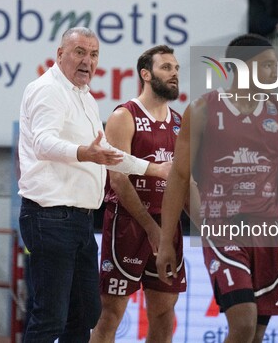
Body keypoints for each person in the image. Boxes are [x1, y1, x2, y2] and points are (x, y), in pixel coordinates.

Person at [156, 34, 278, 343]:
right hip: (224, 229)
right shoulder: (204, 110)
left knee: (256, 334)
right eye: (267, 66)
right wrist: (167, 241)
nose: (275, 73)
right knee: (245, 323)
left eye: (276, 66)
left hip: (267, 234)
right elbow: (179, 178)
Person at [17, 27, 171, 343]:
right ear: (60, 54)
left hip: (80, 220)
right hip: (49, 217)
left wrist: (153, 169)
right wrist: (84, 152)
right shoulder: (47, 90)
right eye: (79, 52)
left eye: (94, 54)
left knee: (84, 314)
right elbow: (43, 143)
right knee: (50, 318)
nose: (88, 61)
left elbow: (107, 154)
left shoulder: (85, 97)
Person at [89, 45, 186, 343]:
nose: (174, 74)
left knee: (163, 313)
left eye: (176, 68)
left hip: (167, 224)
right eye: (166, 68)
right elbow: (117, 180)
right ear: (146, 74)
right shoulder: (124, 115)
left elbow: (184, 181)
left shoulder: (180, 122)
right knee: (111, 314)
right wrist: (150, 227)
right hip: (129, 223)